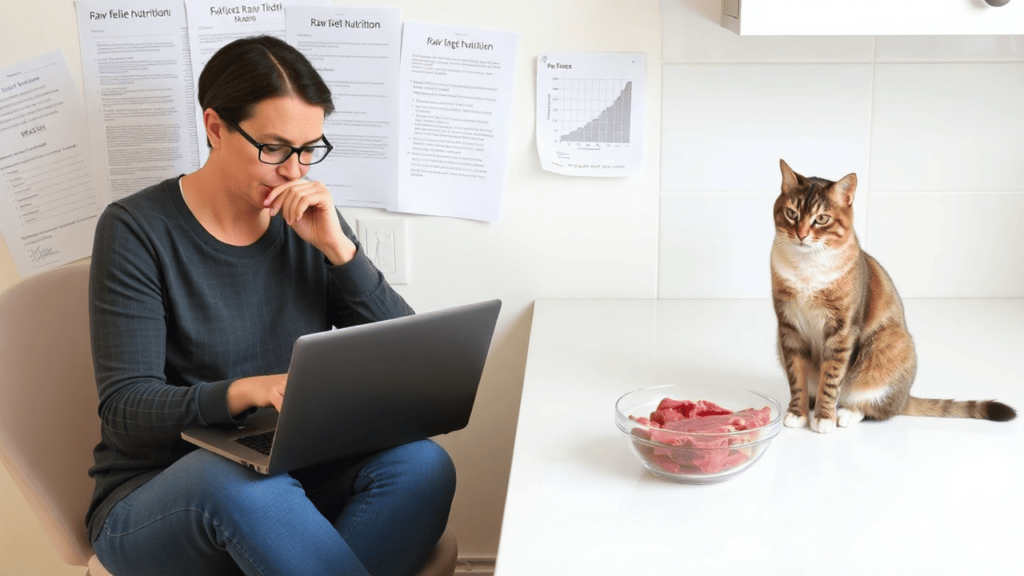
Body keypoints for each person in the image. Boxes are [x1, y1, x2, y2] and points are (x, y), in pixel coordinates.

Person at [86, 35, 455, 576]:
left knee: (423, 464)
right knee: (236, 483)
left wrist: (340, 251)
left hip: (292, 472)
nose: (294, 170)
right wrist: (246, 391)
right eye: (275, 148)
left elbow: (408, 363)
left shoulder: (307, 219)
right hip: (166, 493)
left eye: (310, 149)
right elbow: (124, 409)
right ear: (215, 127)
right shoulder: (136, 230)